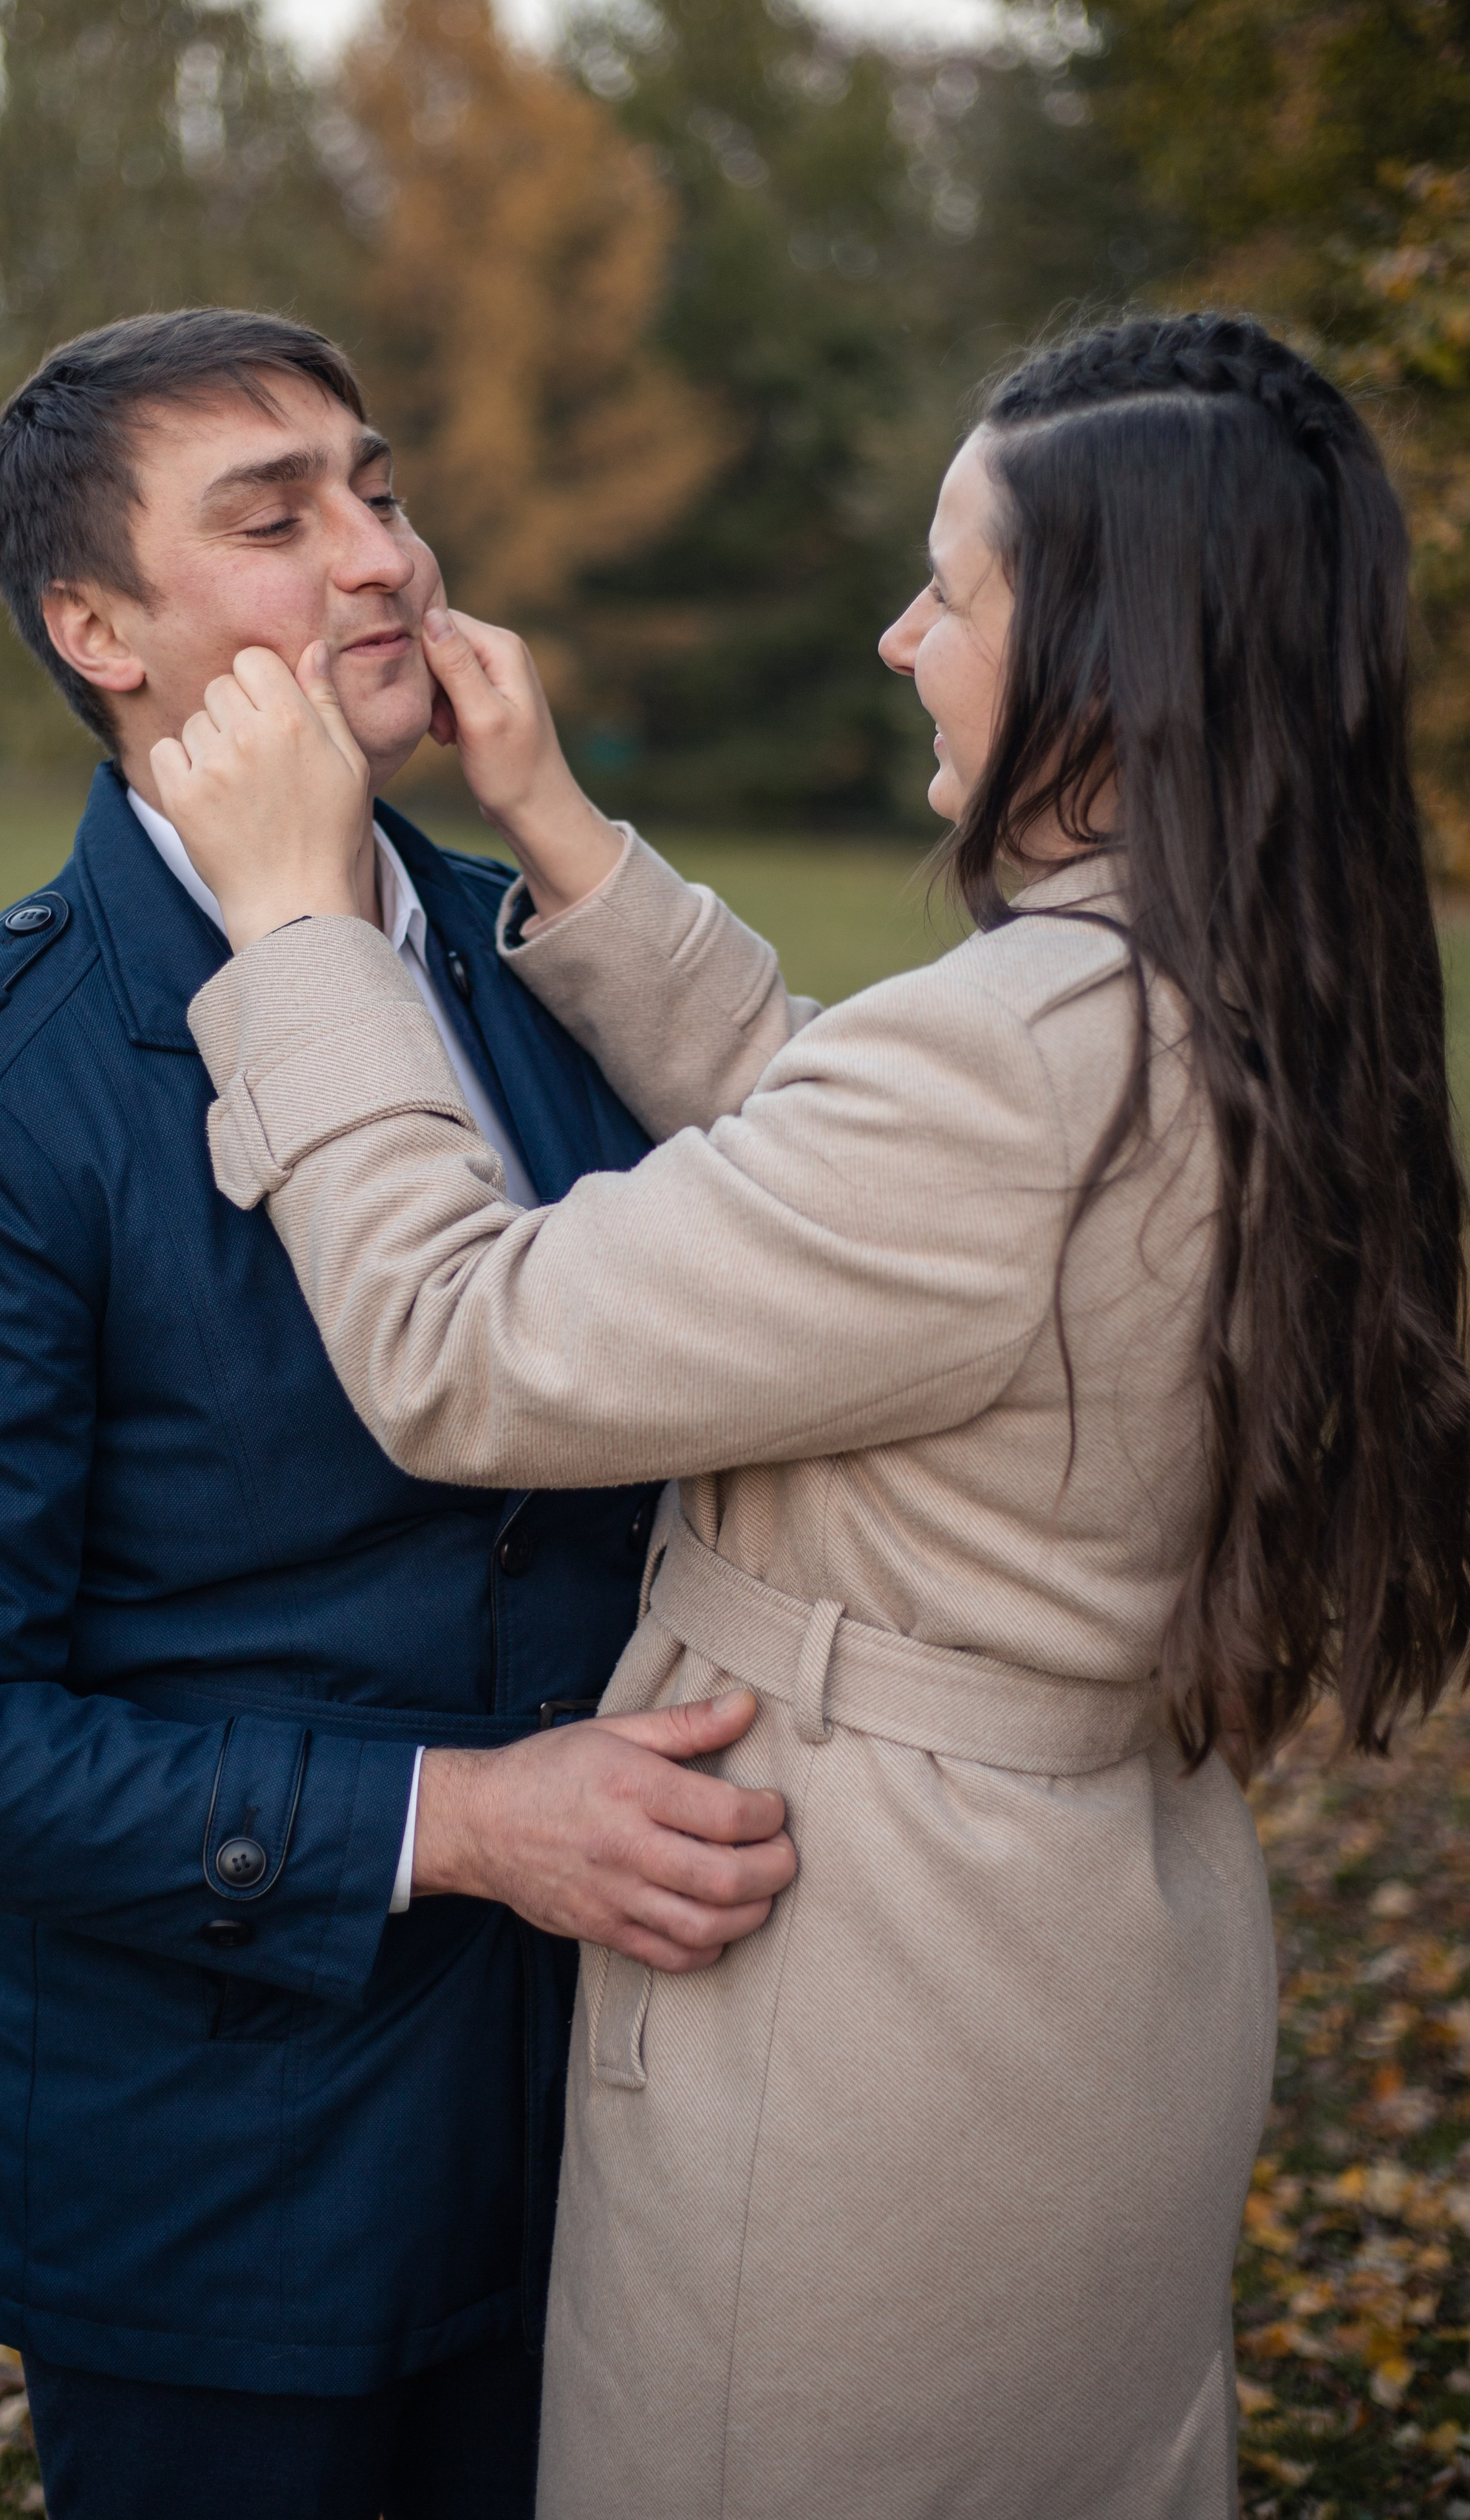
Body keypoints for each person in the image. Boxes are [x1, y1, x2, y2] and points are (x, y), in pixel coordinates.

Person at [149, 311, 1470, 2519]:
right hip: (1087, 1949)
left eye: (950, 590)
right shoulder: (1231, 989)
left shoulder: (1022, 1052)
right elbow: (858, 1198)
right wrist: (558, 830)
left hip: (879, 2011)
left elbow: (466, 1342)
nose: (897, 637)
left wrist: (300, 935)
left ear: (1115, 664)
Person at [0, 307, 796, 2520]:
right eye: (278, 516)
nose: (383, 558)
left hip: (648, 2150)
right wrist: (468, 1821)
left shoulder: (556, 963)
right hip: (230, 2209)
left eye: (383, 488)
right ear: (96, 628)